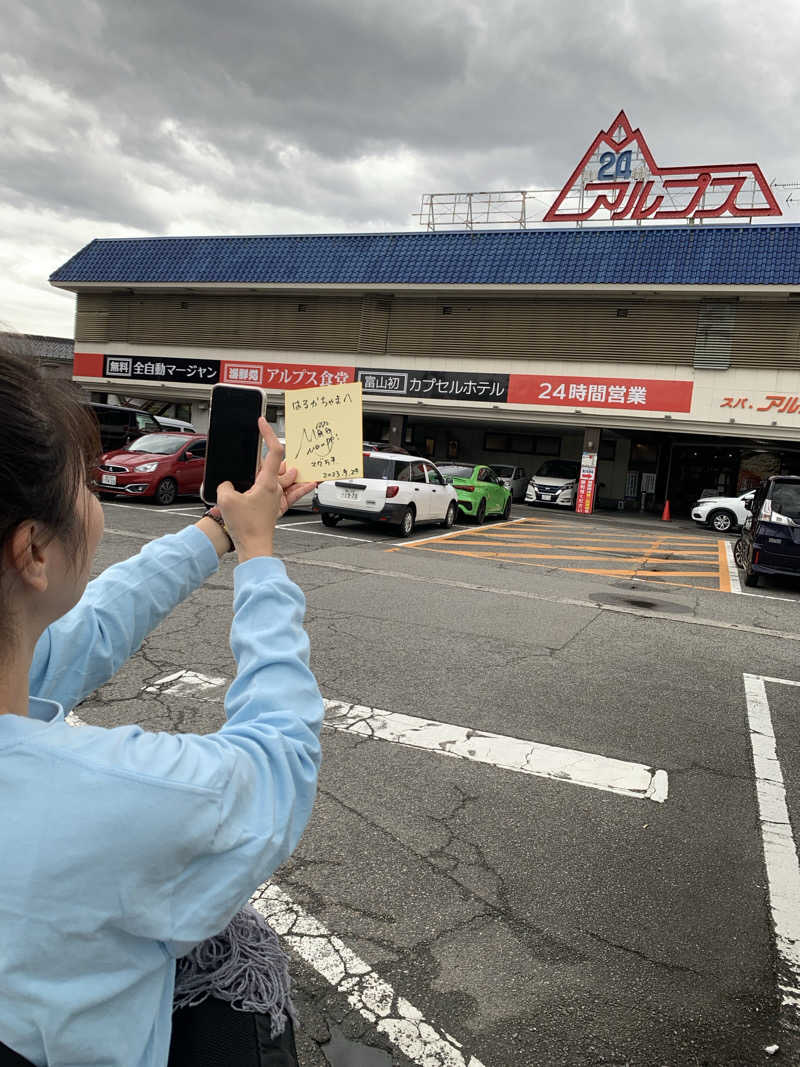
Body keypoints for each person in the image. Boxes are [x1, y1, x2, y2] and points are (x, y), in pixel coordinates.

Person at [0, 340, 322, 1066]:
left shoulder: (20, 662)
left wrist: (221, 530)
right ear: (34, 552)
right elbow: (280, 757)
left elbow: (89, 631)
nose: (97, 499)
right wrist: (262, 555)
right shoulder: (105, 799)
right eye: (85, 485)